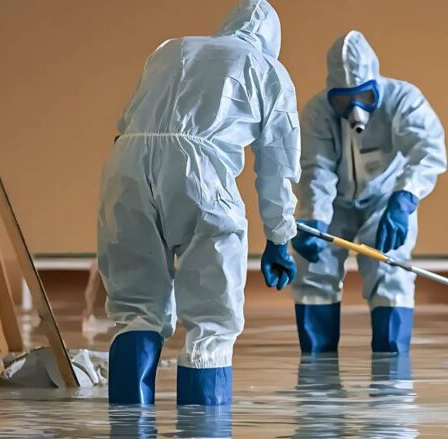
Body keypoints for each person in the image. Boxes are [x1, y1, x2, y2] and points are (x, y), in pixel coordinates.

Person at [98, 0, 300, 406]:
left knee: (135, 309)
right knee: (211, 321)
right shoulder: (266, 69)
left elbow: (127, 122)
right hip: (199, 174)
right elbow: (278, 165)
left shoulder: (171, 48)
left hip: (125, 168)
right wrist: (280, 236)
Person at [291, 31, 447, 354]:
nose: (354, 109)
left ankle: (391, 376)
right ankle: (317, 377)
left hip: (385, 201)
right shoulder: (317, 113)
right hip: (333, 206)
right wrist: (315, 219)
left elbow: (428, 150)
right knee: (314, 271)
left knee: (390, 270)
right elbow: (315, 170)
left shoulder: (403, 100)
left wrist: (405, 199)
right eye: (343, 100)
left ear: (375, 86)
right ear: (331, 95)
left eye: (364, 97)